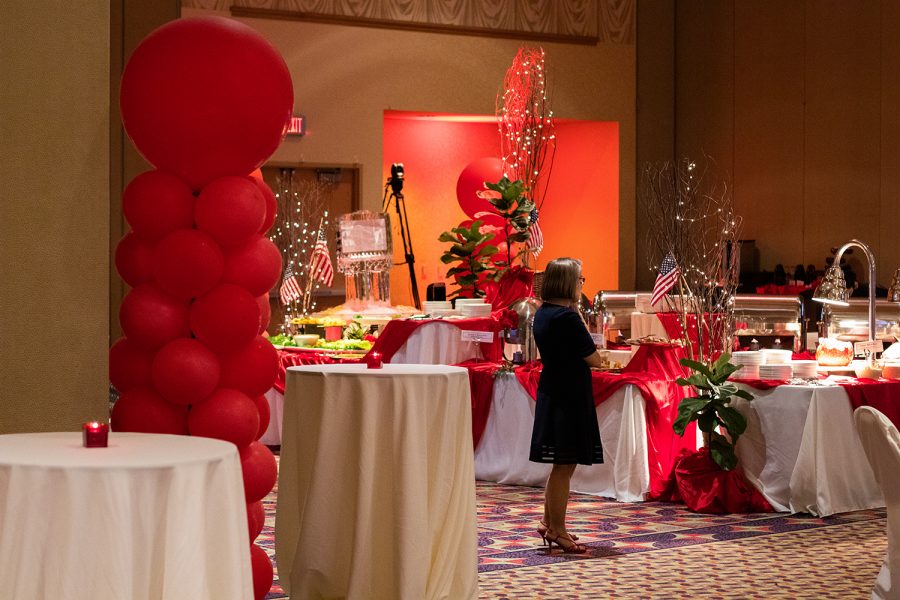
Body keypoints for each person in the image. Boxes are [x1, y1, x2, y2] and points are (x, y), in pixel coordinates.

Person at [529, 257, 605, 554]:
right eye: (580, 279)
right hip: (569, 394)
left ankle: (550, 523)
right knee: (564, 466)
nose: (581, 284)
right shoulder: (568, 318)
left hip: (554, 389)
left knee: (560, 464)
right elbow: (594, 358)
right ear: (568, 283)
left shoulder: (544, 313)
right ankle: (557, 529)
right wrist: (578, 315)